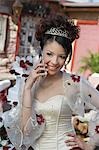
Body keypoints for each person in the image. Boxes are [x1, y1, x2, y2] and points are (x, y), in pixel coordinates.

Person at [2, 13, 99, 150]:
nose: (54, 62)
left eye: (61, 57)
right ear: (41, 50)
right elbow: (25, 132)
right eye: (49, 54)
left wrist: (90, 144)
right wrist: (28, 88)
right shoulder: (27, 83)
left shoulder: (74, 82)